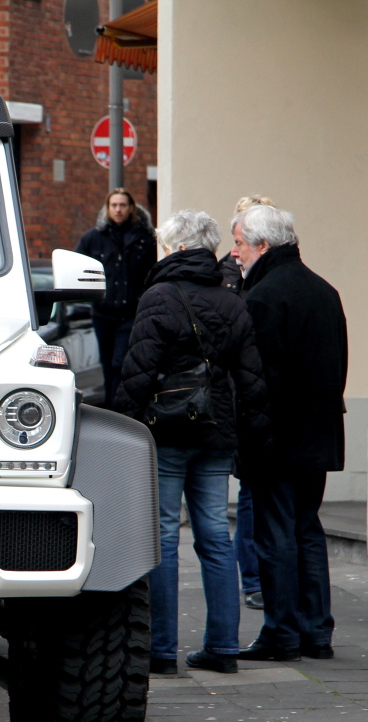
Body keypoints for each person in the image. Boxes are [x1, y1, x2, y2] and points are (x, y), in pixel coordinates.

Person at [114, 210, 269, 675]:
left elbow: (138, 371)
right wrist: (253, 438)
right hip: (217, 434)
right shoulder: (231, 299)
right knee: (216, 538)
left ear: (177, 248)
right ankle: (223, 647)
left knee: (162, 536)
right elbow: (251, 379)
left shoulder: (159, 295)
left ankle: (161, 650)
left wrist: (119, 428)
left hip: (169, 432)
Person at [233, 205, 348, 663]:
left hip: (277, 438)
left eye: (240, 242)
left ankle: (281, 632)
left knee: (276, 534)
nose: (235, 252)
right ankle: (316, 632)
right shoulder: (324, 290)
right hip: (318, 432)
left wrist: (250, 436)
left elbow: (257, 380)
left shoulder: (263, 296)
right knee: (306, 530)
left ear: (262, 245)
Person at [221, 194, 275, 611]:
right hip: (242, 405)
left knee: (256, 501)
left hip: (257, 405)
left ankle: (259, 578)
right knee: (250, 501)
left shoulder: (267, 277)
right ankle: (252, 579)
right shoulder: (230, 276)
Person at [75, 188, 155, 407]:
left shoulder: (144, 239)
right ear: (107, 208)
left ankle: (119, 408)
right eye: (114, 205)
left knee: (120, 363)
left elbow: (153, 274)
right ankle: (112, 406)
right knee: (107, 362)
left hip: (131, 313)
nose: (118, 210)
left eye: (122, 205)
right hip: (103, 313)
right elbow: (78, 268)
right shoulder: (94, 237)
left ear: (131, 209)